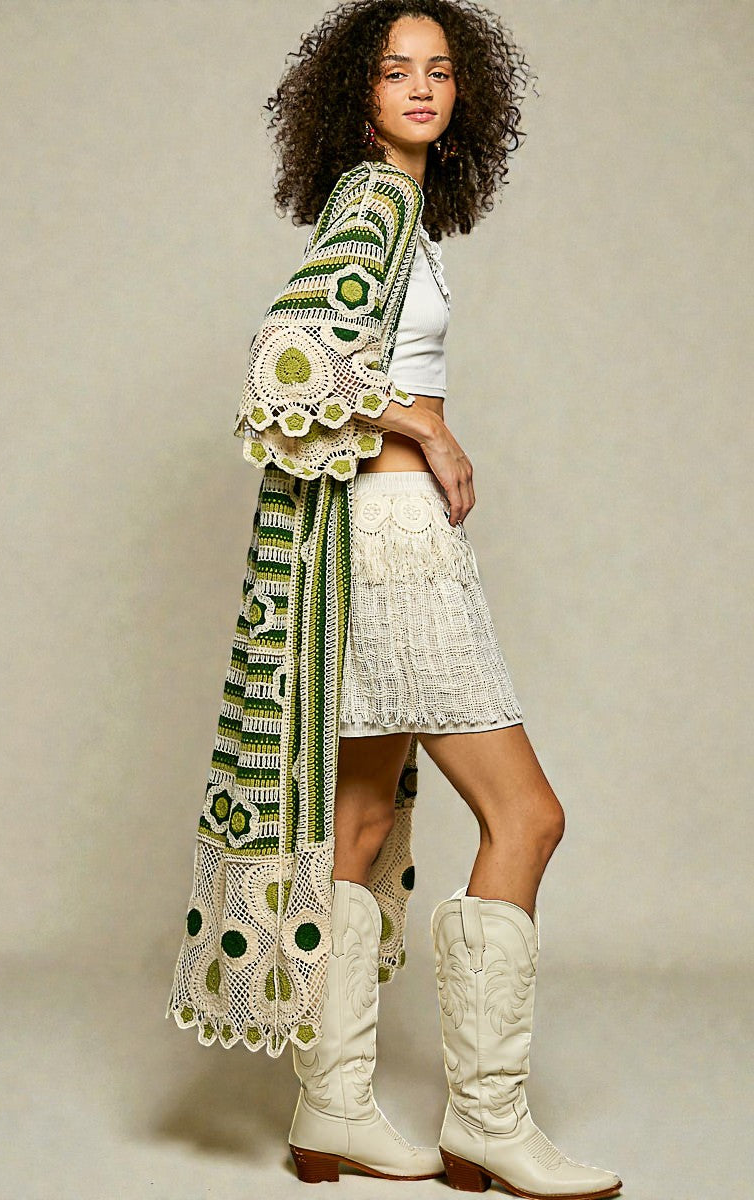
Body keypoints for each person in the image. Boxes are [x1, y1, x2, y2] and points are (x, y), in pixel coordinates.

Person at [166, 2, 623, 1196]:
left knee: (358, 826)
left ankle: (332, 1114)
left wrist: (411, 417)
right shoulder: (375, 201)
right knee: (527, 817)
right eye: (392, 71)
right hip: (392, 542)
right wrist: (422, 419)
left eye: (437, 71)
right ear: (354, 95)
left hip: (363, 547)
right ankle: (487, 1122)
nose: (419, 88)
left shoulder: (400, 209)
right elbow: (286, 354)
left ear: (463, 95)